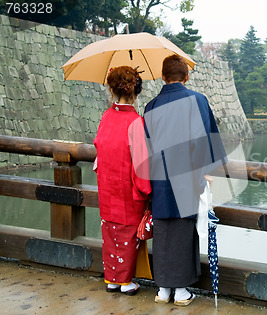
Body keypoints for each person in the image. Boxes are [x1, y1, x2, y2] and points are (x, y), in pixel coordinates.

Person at [143, 55, 226, 306]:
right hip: (188, 176)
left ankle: (163, 290)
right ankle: (180, 291)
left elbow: (144, 147)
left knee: (163, 229)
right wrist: (208, 171)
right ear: (186, 76)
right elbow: (207, 139)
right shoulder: (197, 101)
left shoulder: (151, 106)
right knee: (182, 229)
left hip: (158, 177)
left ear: (162, 76)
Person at [93, 66, 151, 295]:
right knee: (127, 232)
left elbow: (99, 145)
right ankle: (125, 282)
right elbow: (141, 162)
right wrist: (146, 189)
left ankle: (112, 279)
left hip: (107, 185)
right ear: (136, 92)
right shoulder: (136, 121)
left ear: (111, 89)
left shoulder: (106, 116)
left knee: (110, 231)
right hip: (127, 188)